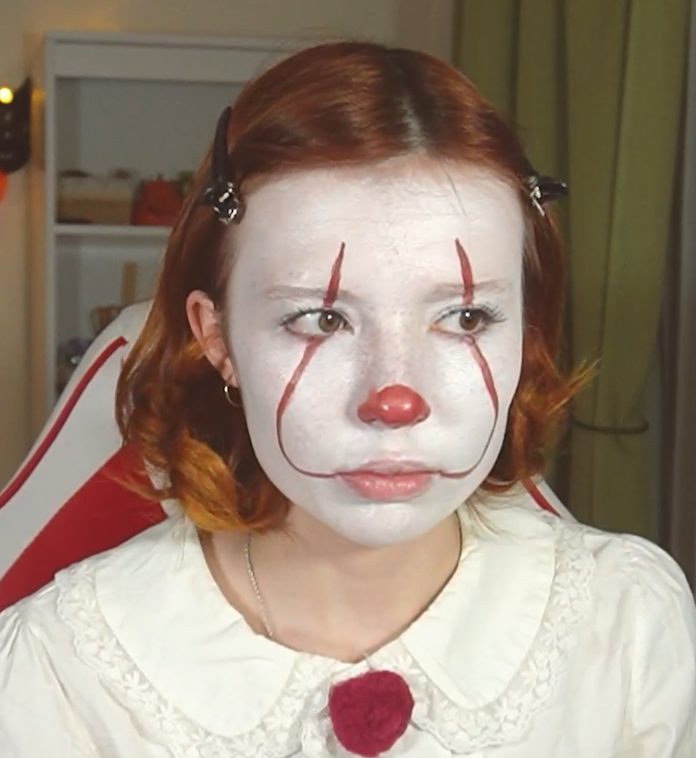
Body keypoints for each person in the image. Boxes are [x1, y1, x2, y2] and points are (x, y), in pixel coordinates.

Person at [0, 40, 694, 758]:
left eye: (465, 317)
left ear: (528, 329)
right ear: (218, 339)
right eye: (322, 319)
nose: (394, 399)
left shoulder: (629, 630)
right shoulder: (58, 678)